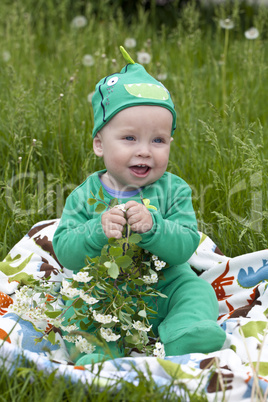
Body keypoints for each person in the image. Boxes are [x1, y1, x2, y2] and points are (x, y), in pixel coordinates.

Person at [52, 48, 226, 365]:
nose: (145, 151)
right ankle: (98, 351)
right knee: (75, 308)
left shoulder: (174, 189)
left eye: (158, 140)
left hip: (164, 288)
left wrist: (155, 227)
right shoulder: (84, 195)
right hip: (104, 294)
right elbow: (64, 250)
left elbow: (185, 246)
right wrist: (96, 231)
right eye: (130, 138)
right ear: (100, 144)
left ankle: (186, 332)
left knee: (197, 291)